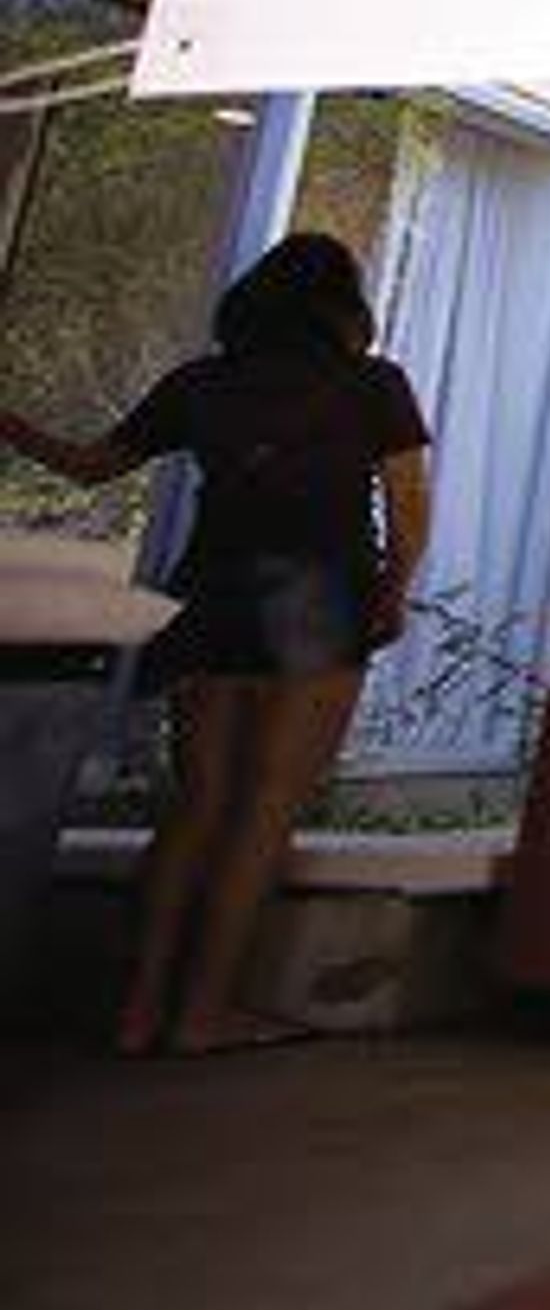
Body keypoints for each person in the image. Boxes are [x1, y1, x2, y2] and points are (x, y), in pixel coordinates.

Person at [1, 232, 433, 1055]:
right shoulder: (372, 386)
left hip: (210, 593)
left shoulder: (202, 384)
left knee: (195, 807)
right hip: (316, 598)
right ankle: (204, 1010)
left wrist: (10, 422)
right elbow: (408, 504)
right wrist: (394, 588)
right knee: (265, 807)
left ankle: (140, 1008)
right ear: (344, 308)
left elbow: (90, 465)